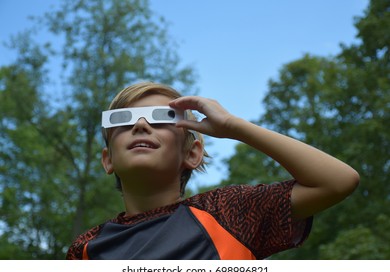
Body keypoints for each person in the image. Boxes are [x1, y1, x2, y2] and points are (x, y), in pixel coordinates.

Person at [66, 81, 359, 260]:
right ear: (108, 160)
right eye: (124, 121)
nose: (140, 125)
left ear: (191, 154)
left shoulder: (230, 213)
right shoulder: (86, 248)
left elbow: (338, 181)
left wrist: (233, 127)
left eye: (161, 118)